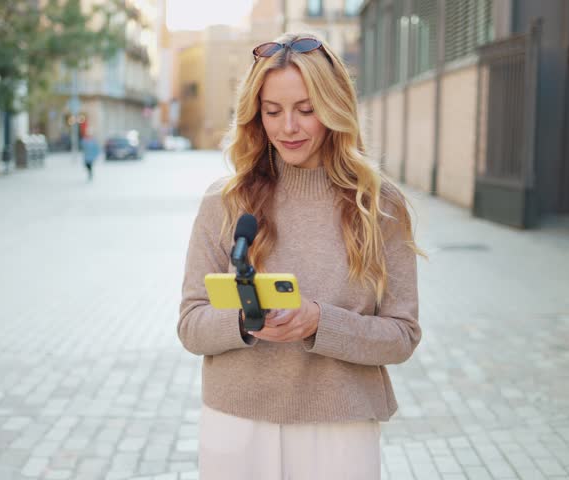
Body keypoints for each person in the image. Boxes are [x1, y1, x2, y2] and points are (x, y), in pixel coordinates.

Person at [178, 33, 423, 479]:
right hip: (237, 425)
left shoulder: (380, 206)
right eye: (273, 111)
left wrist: (318, 322)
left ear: (335, 109)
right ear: (256, 114)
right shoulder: (224, 203)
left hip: (340, 429)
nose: (287, 127)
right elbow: (191, 326)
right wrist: (245, 319)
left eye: (306, 110)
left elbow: (402, 336)